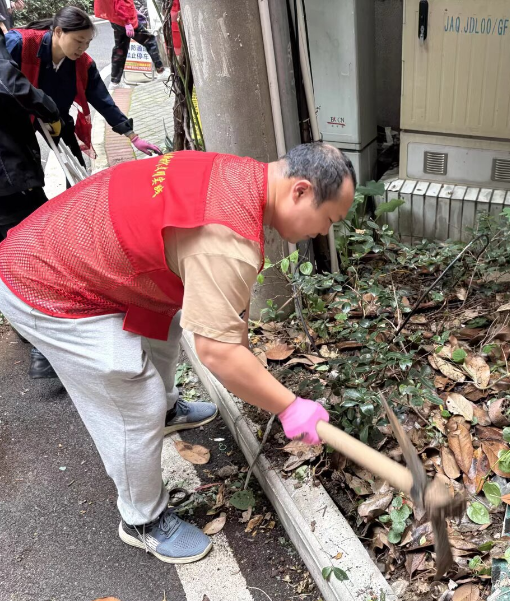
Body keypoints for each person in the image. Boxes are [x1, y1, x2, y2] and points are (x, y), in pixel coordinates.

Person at [0, 143, 355, 563]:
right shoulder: (227, 241)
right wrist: (289, 406)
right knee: (133, 398)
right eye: (328, 219)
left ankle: (167, 413)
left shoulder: (238, 175)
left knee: (169, 319)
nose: (323, 232)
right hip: (45, 284)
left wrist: (247, 366)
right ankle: (142, 519)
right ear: (300, 191)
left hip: (64, 246)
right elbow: (218, 353)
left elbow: (223, 320)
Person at [5, 6, 161, 174]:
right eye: (78, 41)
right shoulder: (21, 43)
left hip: (55, 117)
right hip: (13, 117)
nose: (83, 48)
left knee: (77, 167)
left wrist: (133, 136)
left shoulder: (82, 64)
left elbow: (103, 100)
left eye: (87, 43)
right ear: (58, 31)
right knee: (26, 172)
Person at [0, 27, 64, 377]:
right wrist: (50, 110)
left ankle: (29, 329)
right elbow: (9, 82)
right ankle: (46, 346)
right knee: (37, 254)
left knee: (7, 261)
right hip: (8, 177)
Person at [94, 0, 164, 86]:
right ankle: (160, 70)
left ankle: (115, 82)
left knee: (120, 49)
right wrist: (127, 22)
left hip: (115, 18)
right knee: (149, 40)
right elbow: (121, 3)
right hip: (124, 18)